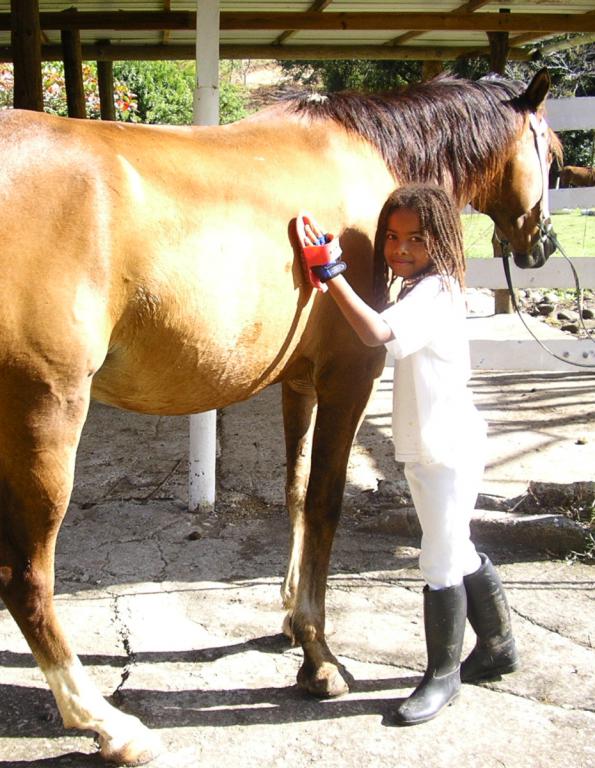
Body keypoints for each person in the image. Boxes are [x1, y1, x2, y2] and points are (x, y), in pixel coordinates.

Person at [299, 183, 519, 726]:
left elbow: (375, 333)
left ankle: (442, 677)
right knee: (457, 546)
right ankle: (498, 646)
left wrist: (331, 275)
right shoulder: (421, 288)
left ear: (441, 240)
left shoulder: (435, 293)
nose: (399, 249)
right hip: (432, 447)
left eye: (416, 239)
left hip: (445, 448)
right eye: (392, 237)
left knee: (439, 560)